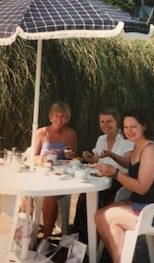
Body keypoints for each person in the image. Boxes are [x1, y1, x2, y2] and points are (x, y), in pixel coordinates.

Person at [94, 109, 154, 263]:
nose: (129, 130)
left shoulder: (150, 150)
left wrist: (114, 173)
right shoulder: (137, 146)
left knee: (108, 217)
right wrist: (110, 160)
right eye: (126, 126)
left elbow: (142, 187)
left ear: (144, 126)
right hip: (141, 205)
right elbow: (129, 166)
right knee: (99, 216)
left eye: (133, 126)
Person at [73, 108, 134, 242]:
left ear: (117, 121)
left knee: (97, 200)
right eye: (102, 122)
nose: (105, 125)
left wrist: (112, 155)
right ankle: (81, 240)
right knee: (84, 197)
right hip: (101, 179)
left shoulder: (126, 139)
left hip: (119, 181)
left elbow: (128, 164)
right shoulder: (101, 139)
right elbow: (96, 159)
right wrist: (89, 157)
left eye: (109, 121)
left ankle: (99, 240)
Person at [36, 101, 77, 242]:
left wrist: (69, 154)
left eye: (63, 116)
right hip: (42, 174)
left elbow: (73, 158)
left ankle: (46, 238)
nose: (59, 119)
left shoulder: (70, 133)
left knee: (50, 196)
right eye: (56, 115)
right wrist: (44, 159)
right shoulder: (41, 132)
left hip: (60, 178)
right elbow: (34, 157)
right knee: (25, 195)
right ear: (50, 116)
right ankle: (26, 232)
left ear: (67, 119)